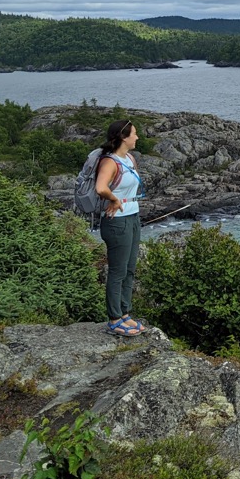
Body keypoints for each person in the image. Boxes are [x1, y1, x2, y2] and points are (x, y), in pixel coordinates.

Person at [95, 118, 146, 337]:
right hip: (117, 221)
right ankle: (114, 319)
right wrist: (114, 200)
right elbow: (100, 188)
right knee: (118, 271)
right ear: (123, 138)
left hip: (132, 217)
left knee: (130, 268)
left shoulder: (130, 159)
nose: (137, 137)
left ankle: (125, 313)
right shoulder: (109, 162)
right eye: (134, 134)